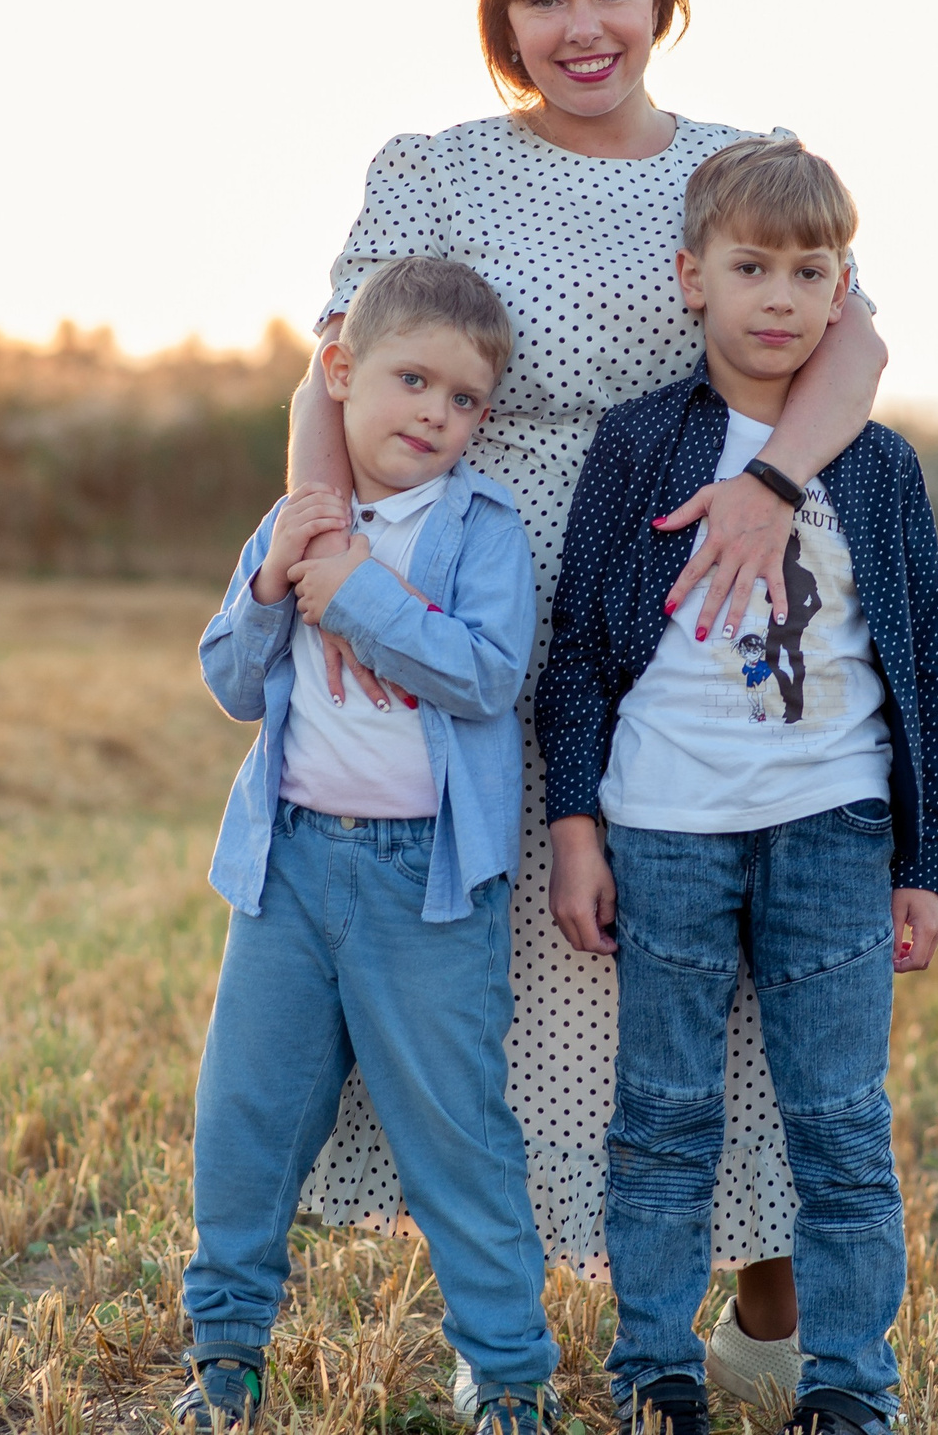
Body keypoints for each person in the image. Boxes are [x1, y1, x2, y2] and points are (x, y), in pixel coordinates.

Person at [284, 0, 894, 1415]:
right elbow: (334, 370)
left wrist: (767, 483)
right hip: (467, 596)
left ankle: (771, 1318)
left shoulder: (741, 166)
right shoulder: (432, 172)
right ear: (502, 20)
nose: (580, 24)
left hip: (692, 586)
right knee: (502, 948)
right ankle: (517, 1332)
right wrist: (321, 535)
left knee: (725, 959)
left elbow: (858, 345)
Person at [538, 137, 938, 1435]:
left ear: (846, 291)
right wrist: (576, 825)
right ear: (692, 278)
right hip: (666, 825)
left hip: (832, 827)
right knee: (664, 1111)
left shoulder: (875, 466)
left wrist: (922, 857)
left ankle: (849, 1386)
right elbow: (582, 651)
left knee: (839, 1120)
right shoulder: (639, 444)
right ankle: (656, 1368)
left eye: (809, 269)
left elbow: (926, 666)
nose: (780, 295)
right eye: (750, 266)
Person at [184, 259, 561, 1434]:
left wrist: (352, 593)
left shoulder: (482, 528)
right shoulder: (294, 518)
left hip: (425, 885)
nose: (434, 416)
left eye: (462, 401)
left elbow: (488, 674)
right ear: (339, 375)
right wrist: (273, 574)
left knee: (457, 1134)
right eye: (411, 380)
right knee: (245, 1117)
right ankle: (224, 1358)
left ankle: (506, 1375)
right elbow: (232, 682)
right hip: (289, 867)